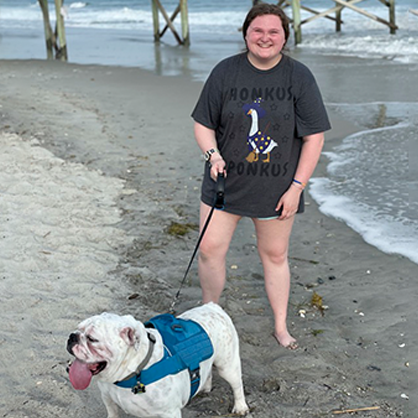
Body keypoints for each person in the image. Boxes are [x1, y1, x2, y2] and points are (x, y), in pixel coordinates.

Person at [191, 3, 331, 350]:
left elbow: (314, 137)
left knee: (274, 255)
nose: (265, 38)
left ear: (285, 37)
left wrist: (297, 188)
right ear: (246, 34)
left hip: (277, 187)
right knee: (209, 250)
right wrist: (213, 155)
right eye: (258, 31)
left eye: (273, 32)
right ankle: (211, 315)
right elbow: (203, 124)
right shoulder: (225, 72)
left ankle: (281, 326)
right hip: (225, 184)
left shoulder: (298, 77)